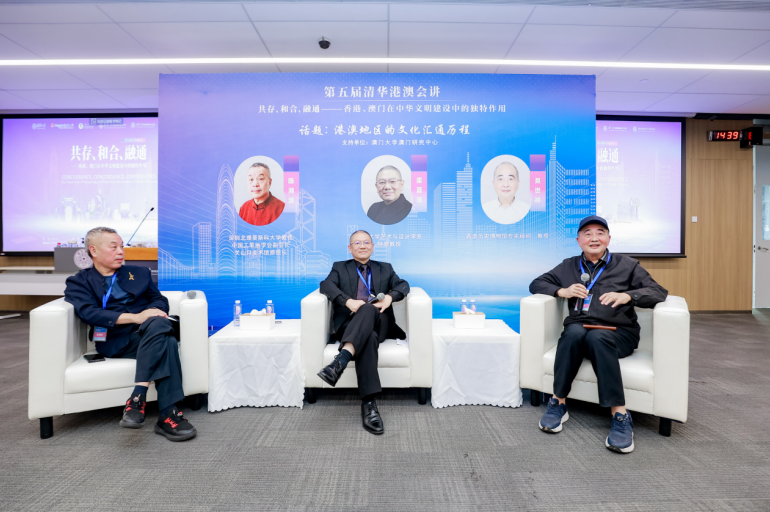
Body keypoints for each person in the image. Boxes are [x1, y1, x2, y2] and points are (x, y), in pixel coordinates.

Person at [529, 215, 667, 454]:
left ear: (608, 239)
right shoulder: (569, 265)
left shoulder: (627, 265)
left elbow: (658, 291)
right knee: (572, 333)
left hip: (618, 332)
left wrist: (629, 296)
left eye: (600, 233)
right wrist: (562, 291)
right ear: (579, 241)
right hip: (579, 328)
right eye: (588, 234)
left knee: (597, 337)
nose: (594, 238)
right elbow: (537, 284)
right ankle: (558, 402)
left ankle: (620, 414)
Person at [64, 227, 197, 442]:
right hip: (116, 339)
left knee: (157, 324)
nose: (120, 252)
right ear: (93, 251)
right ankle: (169, 415)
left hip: (150, 329)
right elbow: (89, 313)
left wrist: (151, 314)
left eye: (122, 246)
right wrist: (137, 317)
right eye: (113, 247)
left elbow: (159, 300)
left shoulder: (139, 273)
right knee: (168, 341)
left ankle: (138, 397)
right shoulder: (79, 281)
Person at [317, 230, 410, 434]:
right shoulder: (339, 267)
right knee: (369, 338)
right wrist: (347, 301)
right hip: (350, 325)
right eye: (357, 243)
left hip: (381, 322)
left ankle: (340, 360)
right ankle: (369, 404)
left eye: (366, 242)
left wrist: (389, 298)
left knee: (369, 308)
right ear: (350, 248)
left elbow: (403, 285)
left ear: (373, 247)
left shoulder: (385, 268)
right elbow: (326, 285)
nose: (362, 246)